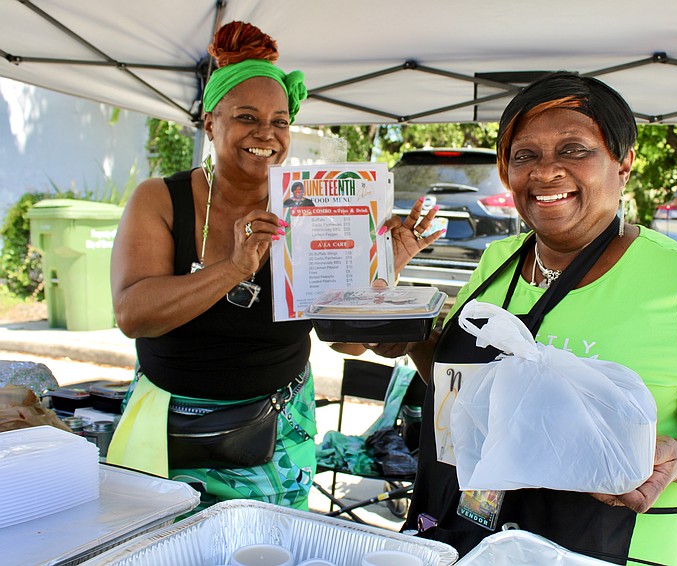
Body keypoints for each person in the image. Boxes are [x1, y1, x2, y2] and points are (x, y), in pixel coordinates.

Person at [368, 72, 677, 564]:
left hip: (615, 551)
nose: (546, 172)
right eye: (524, 155)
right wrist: (407, 337)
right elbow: (470, 388)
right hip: (477, 542)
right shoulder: (498, 262)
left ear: (624, 163)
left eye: (574, 149)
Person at [105, 20, 440, 510]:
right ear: (210, 123)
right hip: (169, 428)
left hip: (277, 433)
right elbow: (133, 314)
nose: (267, 134)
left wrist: (386, 266)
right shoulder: (160, 199)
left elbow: (345, 340)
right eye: (246, 117)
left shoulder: (310, 205)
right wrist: (234, 268)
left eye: (280, 121)